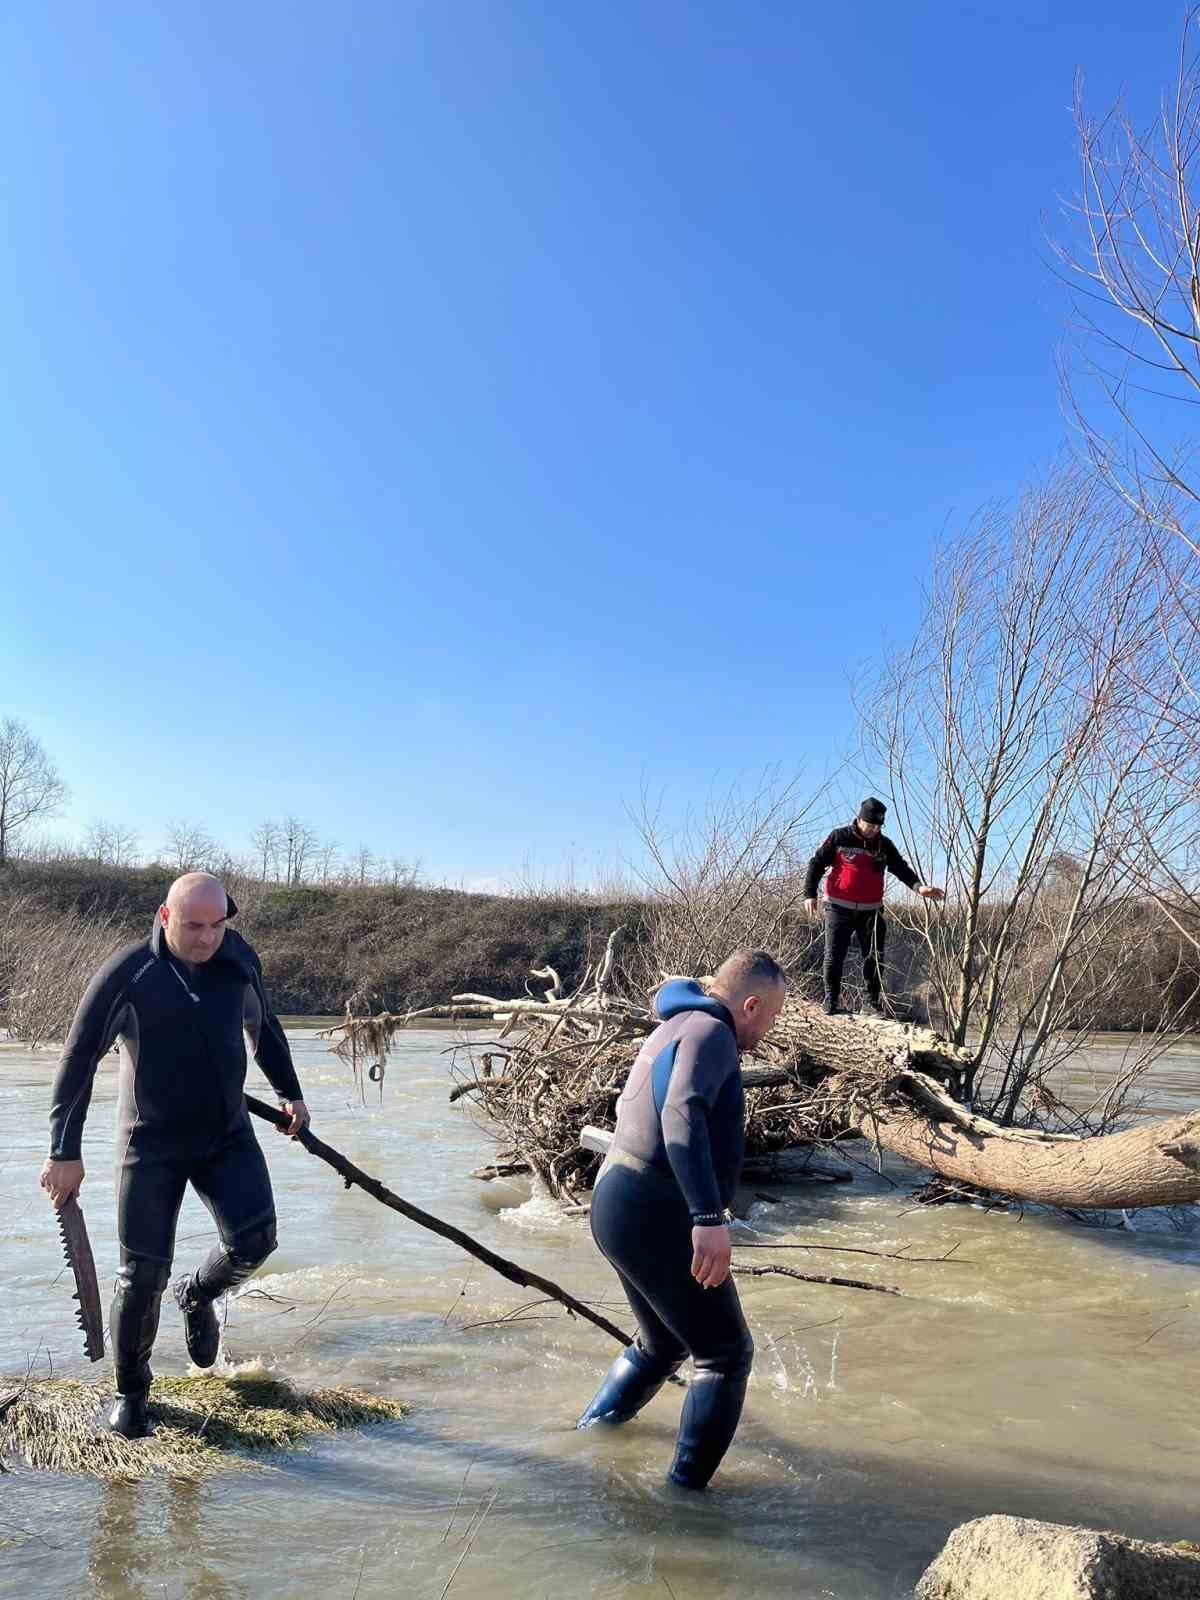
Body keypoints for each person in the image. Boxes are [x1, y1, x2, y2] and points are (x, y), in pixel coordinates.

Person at [39, 872, 309, 1439]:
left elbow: (266, 1030)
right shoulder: (129, 973)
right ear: (165, 917)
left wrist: (290, 1093)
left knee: (255, 1240)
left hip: (225, 1135)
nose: (207, 937)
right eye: (194, 925)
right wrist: (64, 1149)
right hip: (150, 1143)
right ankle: (131, 1394)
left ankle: (199, 1294)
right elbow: (79, 1059)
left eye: (217, 925)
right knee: (141, 1276)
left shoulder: (237, 959)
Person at [577, 948, 787, 1490]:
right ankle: (686, 1504)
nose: (771, 1027)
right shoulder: (712, 1033)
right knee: (725, 1353)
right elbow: (680, 1111)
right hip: (650, 1203)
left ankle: (587, 1438)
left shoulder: (679, 1024)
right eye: (773, 1015)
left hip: (617, 1195)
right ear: (752, 1003)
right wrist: (707, 1216)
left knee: (662, 1344)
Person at [803, 797, 944, 1016]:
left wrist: (919, 887)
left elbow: (900, 867)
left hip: (871, 911)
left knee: (874, 957)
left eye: (879, 826)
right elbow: (816, 863)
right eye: (871, 825)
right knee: (834, 955)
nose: (874, 830)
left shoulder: (884, 844)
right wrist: (810, 893)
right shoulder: (839, 837)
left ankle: (872, 1003)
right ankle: (830, 1000)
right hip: (838, 907)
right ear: (859, 820)